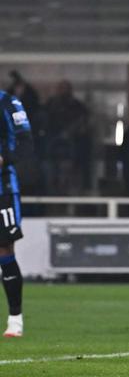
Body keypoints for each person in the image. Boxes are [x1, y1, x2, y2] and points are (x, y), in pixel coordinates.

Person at [0, 88, 32, 337]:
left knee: (4, 248)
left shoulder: (9, 103)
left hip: (3, 189)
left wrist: (4, 158)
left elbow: (26, 143)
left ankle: (15, 319)